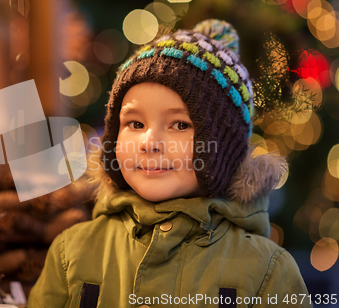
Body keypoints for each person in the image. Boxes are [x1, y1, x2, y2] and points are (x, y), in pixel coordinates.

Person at [27, 20, 312, 308]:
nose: (150, 142)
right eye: (135, 123)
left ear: (223, 147)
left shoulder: (267, 270)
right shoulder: (72, 252)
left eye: (179, 124)